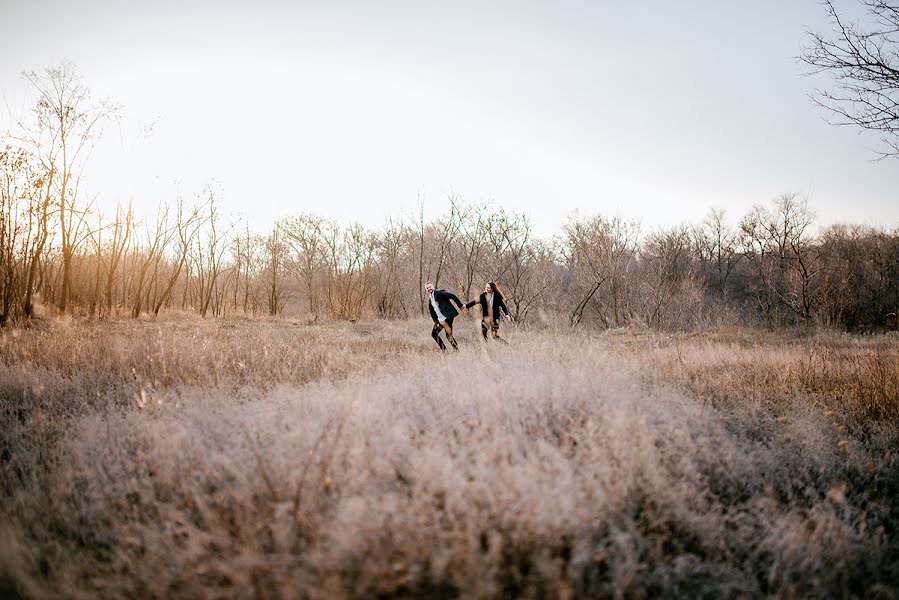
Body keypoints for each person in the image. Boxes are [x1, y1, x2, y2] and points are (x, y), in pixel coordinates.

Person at [425, 282, 466, 350]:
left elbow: (452, 296)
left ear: (433, 287)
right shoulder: (430, 299)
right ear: (426, 290)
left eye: (430, 287)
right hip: (440, 320)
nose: (429, 288)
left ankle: (456, 350)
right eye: (427, 288)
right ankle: (444, 350)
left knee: (448, 336)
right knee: (434, 334)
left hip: (447, 317)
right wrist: (436, 322)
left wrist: (460, 305)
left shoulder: (439, 293)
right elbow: (432, 313)